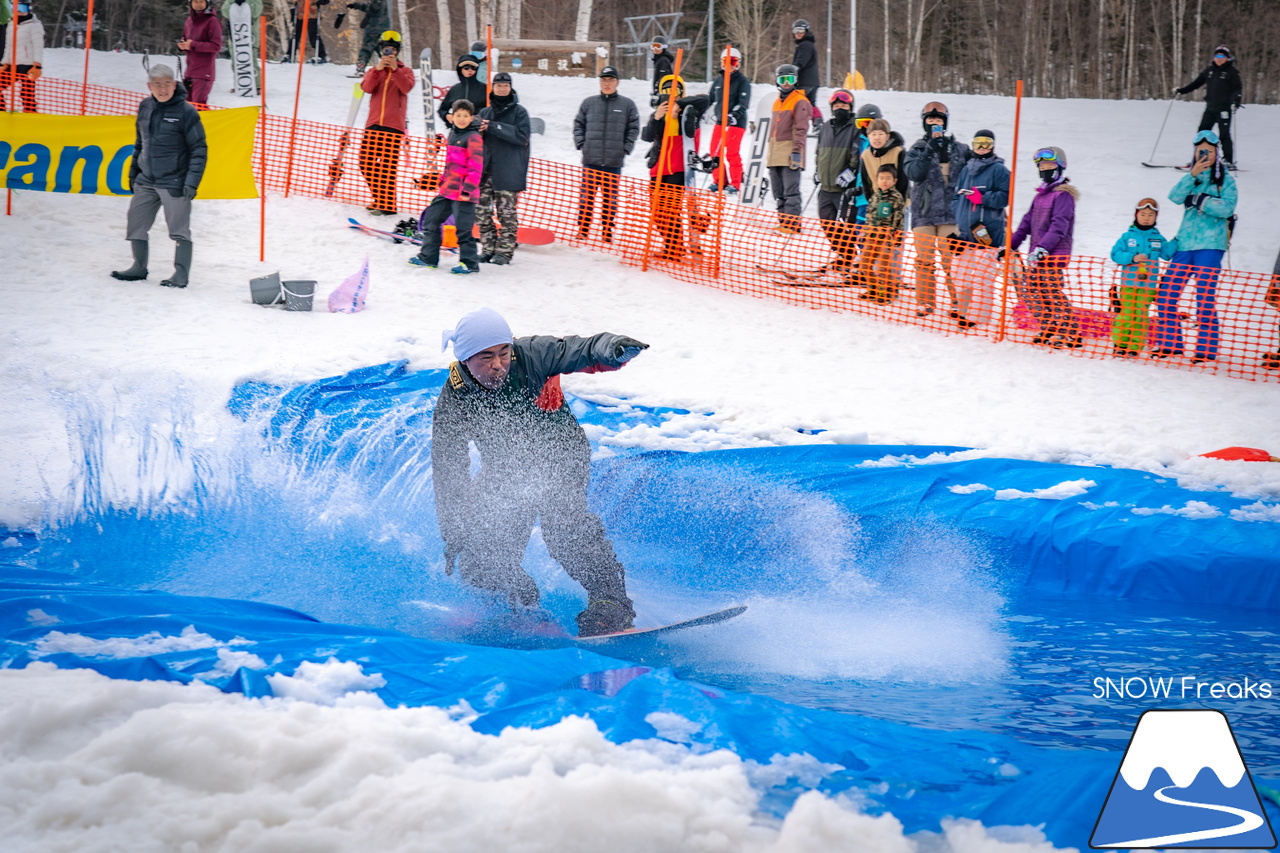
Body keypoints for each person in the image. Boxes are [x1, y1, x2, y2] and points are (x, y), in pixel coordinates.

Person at [431, 307, 650, 637]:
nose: (498, 364)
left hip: (561, 456)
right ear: (464, 359)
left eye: (504, 353)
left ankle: (611, 605)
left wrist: (611, 347)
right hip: (504, 469)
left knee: (565, 530)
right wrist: (455, 533)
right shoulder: (455, 399)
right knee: (480, 552)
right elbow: (449, 469)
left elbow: (575, 349)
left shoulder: (530, 355)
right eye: (486, 357)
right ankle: (515, 605)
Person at [110, 64, 207, 290]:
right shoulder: (145, 107)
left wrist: (191, 182)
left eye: (167, 84)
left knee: (179, 230)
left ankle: (180, 275)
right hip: (146, 180)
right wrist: (134, 173)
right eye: (157, 85)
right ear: (149, 86)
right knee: (136, 223)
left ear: (174, 84)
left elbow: (199, 149)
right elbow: (139, 143)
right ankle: (138, 267)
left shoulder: (186, 112)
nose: (162, 89)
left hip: (175, 182)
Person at [1151, 130, 1238, 363]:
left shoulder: (1225, 179)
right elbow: (1175, 197)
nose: (1204, 154)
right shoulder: (1193, 175)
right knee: (1166, 294)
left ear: (1216, 152)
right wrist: (1191, 175)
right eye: (1200, 151)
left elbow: (1227, 208)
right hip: (1184, 245)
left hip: (1210, 245)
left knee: (1204, 297)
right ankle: (1170, 344)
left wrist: (1202, 200)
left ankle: (1206, 350)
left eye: (1209, 151)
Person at [1009, 146, 1082, 348]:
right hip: (1037, 254)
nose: (1045, 169)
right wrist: (1011, 245)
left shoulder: (1063, 196)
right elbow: (1026, 223)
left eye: (1050, 165)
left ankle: (1069, 332)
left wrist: (1043, 249)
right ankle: (1049, 326)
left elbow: (1059, 225)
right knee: (1030, 290)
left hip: (1053, 253)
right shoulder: (1040, 196)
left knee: (1051, 292)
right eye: (1042, 165)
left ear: (1059, 167)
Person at [904, 102, 971, 318]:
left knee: (951, 259)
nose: (935, 124)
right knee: (924, 259)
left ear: (945, 123)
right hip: (924, 213)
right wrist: (928, 150)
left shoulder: (960, 149)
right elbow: (913, 174)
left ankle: (957, 302)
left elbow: (974, 171)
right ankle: (925, 302)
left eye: (939, 120)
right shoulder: (917, 148)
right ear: (924, 123)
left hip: (951, 213)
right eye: (931, 120)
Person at [410, 99, 483, 273]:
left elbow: (476, 166)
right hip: (448, 189)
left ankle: (470, 263)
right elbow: (449, 163)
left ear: (471, 118)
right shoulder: (453, 134)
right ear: (452, 117)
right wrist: (442, 180)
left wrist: (468, 189)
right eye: (458, 115)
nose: (462, 119)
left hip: (464, 192)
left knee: (463, 229)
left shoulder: (473, 137)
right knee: (432, 220)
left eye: (466, 116)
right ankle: (428, 257)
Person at [640, 74, 709, 260]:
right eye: (667, 90)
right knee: (658, 212)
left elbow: (707, 99)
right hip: (659, 167)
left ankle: (675, 248)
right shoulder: (658, 113)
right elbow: (646, 136)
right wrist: (657, 117)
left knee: (671, 211)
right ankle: (672, 245)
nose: (672, 94)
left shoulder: (690, 110)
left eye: (676, 90)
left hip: (679, 169)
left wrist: (681, 105)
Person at [949, 129, 1009, 328]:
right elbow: (956, 195)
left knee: (983, 278)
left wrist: (982, 198)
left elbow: (1005, 197)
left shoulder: (999, 170)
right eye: (978, 143)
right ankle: (963, 310)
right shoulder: (966, 169)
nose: (982, 147)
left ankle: (979, 318)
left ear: (992, 146)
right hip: (966, 233)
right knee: (960, 274)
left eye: (986, 143)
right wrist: (957, 210)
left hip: (988, 234)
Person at [573, 66, 640, 243]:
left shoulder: (627, 104)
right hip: (591, 160)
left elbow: (633, 128)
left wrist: (625, 148)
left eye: (611, 80)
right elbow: (578, 125)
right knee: (586, 197)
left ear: (617, 82)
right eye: (604, 80)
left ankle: (607, 231)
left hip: (613, 161)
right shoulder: (589, 103)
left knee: (610, 199)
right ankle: (583, 228)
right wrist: (582, 144)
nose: (607, 83)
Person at [1109, 199, 1177, 358]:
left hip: (1148, 285)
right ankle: (1120, 344)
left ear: (1156, 217)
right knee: (1127, 313)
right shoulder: (1127, 236)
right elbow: (1115, 254)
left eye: (1151, 215)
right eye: (1143, 214)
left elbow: (1167, 254)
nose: (1146, 218)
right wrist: (1132, 258)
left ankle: (1134, 346)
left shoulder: (1158, 238)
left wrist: (1177, 240)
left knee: (1140, 314)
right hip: (1129, 283)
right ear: (1136, 215)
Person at [476, 72, 531, 265]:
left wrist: (493, 127)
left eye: (505, 86)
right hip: (485, 171)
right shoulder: (484, 112)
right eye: (498, 85)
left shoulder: (520, 112)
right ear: (493, 88)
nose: (501, 89)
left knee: (506, 214)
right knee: (480, 212)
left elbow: (522, 136)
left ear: (510, 88)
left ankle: (504, 252)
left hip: (508, 171)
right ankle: (487, 248)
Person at [358, 30, 414, 215]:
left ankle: (388, 206)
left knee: (387, 167)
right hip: (374, 123)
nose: (389, 53)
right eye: (385, 49)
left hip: (393, 125)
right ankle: (381, 199)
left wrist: (395, 70)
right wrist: (377, 69)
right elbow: (366, 88)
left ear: (397, 51)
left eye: (392, 49)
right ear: (381, 50)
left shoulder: (405, 71)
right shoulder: (374, 70)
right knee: (366, 162)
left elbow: (406, 88)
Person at [813, 89, 865, 275]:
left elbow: (856, 153)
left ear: (850, 107)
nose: (840, 108)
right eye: (836, 105)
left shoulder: (855, 128)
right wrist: (817, 171)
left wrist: (850, 173)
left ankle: (854, 259)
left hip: (844, 188)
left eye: (843, 105)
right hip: (826, 187)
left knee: (846, 225)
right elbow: (819, 151)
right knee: (827, 222)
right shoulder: (826, 126)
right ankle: (844, 255)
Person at [1176, 45, 1243, 169]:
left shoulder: (1232, 72)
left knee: (1224, 134)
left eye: (1222, 56)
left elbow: (1237, 89)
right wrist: (1181, 91)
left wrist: (1236, 102)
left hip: (1224, 109)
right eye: (1217, 56)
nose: (1219, 58)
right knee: (1202, 133)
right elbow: (1196, 83)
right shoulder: (1209, 71)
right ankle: (1200, 159)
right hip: (1210, 108)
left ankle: (1228, 160)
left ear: (1227, 58)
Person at [767, 63, 812, 235]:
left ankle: (792, 224)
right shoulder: (777, 102)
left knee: (790, 190)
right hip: (775, 153)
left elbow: (801, 128)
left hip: (789, 151)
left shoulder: (800, 100)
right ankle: (783, 222)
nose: (787, 83)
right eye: (783, 79)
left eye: (790, 79)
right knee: (778, 191)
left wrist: (796, 151)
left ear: (796, 81)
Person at [706, 46, 751, 194]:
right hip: (720, 121)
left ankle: (736, 183)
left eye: (733, 61)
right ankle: (719, 181)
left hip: (736, 122)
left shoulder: (742, 82)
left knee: (731, 152)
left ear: (738, 63)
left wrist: (733, 115)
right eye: (726, 61)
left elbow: (743, 103)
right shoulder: (718, 81)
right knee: (715, 151)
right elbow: (710, 99)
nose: (729, 65)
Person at [861, 164, 908, 304]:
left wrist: (895, 236)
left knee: (883, 268)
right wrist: (865, 234)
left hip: (886, 238)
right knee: (865, 264)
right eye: (881, 178)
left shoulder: (896, 197)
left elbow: (898, 219)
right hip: (872, 236)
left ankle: (884, 293)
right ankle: (873, 289)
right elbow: (869, 216)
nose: (884, 181)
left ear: (894, 181)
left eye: (888, 178)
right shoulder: (875, 196)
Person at [0, 0, 43, 113]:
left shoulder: (34, 25)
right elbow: (8, 46)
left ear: (28, 10)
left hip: (27, 64)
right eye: (15, 8)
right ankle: (1, 110)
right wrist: (5, 63)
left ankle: (30, 113)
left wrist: (37, 65)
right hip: (13, 63)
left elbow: (38, 46)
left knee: (27, 93)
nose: (19, 11)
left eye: (22, 8)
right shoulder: (11, 24)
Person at [178, 0, 223, 106]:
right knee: (186, 106)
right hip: (189, 72)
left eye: (201, 1)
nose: (198, 4)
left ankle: (210, 122)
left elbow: (216, 45)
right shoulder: (189, 20)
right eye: (195, 1)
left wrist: (193, 45)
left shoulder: (212, 21)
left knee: (198, 106)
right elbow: (185, 38)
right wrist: (182, 45)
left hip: (204, 72)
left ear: (207, 3)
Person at [219, 0, 263, 93]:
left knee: (251, 61)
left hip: (250, 37)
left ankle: (257, 85)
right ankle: (240, 84)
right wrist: (233, 2)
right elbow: (225, 12)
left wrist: (245, 3)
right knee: (236, 62)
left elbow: (255, 12)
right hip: (235, 37)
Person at [438, 53, 488, 126]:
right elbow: (442, 110)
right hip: (457, 132)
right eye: (466, 67)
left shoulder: (485, 88)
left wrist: (477, 116)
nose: (470, 70)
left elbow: (491, 110)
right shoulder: (454, 89)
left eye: (473, 67)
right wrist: (447, 116)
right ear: (460, 69)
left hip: (478, 130)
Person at [348, 0, 389, 76]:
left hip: (373, 28)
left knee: (366, 49)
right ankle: (391, 67)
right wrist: (357, 5)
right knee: (383, 50)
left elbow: (372, 8)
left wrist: (359, 7)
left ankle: (361, 66)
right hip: (384, 29)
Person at [790, 19, 820, 119]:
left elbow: (801, 61)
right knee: (810, 104)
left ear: (806, 31)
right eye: (795, 31)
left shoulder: (805, 45)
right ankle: (818, 122)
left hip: (805, 82)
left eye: (800, 30)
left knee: (797, 102)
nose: (798, 33)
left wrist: (792, 70)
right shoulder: (808, 44)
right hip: (812, 82)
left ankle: (798, 123)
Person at [649, 36, 674, 105]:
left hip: (664, 94)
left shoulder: (663, 60)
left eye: (658, 46)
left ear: (663, 47)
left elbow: (664, 79)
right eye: (653, 46)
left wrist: (658, 93)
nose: (655, 49)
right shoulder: (659, 60)